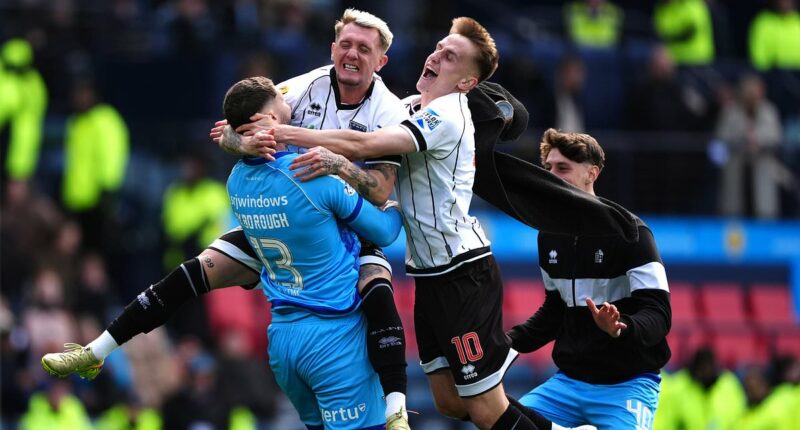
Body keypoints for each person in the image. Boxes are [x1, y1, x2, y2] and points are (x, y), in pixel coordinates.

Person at [43, 9, 413, 427]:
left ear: (380, 60)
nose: (352, 54)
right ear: (332, 48)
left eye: (363, 48)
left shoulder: (388, 110)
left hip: (344, 219)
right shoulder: (302, 88)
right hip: (300, 211)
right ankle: (95, 351)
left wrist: (334, 163)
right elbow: (236, 126)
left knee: (377, 288)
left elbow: (379, 189)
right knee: (190, 274)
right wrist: (246, 143)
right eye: (346, 44)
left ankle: (396, 407)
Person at [240, 16, 595, 430]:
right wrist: (242, 135)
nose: (437, 56)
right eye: (440, 48)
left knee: (484, 408)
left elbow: (366, 143)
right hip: (427, 273)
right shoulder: (409, 106)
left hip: (462, 272)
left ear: (466, 82)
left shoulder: (448, 114)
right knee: (449, 401)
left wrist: (286, 133)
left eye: (451, 57)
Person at [222, 76, 404, 429]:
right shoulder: (313, 174)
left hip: (283, 341)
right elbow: (384, 231)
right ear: (269, 118)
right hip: (333, 337)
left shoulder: (235, 180)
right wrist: (397, 206)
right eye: (280, 98)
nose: (289, 101)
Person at [505, 129, 672, 429]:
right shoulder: (548, 235)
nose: (551, 176)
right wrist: (505, 343)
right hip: (568, 384)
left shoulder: (632, 232)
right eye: (548, 168)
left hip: (627, 385)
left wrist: (621, 327)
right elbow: (555, 312)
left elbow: (659, 313)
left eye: (563, 168)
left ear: (591, 174)